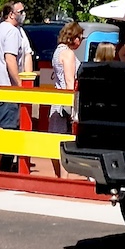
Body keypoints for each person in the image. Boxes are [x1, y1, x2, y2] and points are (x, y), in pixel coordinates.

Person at [0, 0, 28, 169]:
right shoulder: (12, 31)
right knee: (9, 130)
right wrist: (19, 84)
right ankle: (2, 169)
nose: (23, 14)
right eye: (21, 11)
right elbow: (10, 59)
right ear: (11, 14)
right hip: (6, 88)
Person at [39, 20, 84, 179]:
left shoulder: (58, 51)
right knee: (65, 140)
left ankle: (59, 175)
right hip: (65, 100)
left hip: (56, 101)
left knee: (55, 139)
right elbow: (69, 80)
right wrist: (72, 105)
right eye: (81, 37)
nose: (81, 41)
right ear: (74, 37)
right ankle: (64, 177)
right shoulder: (68, 54)